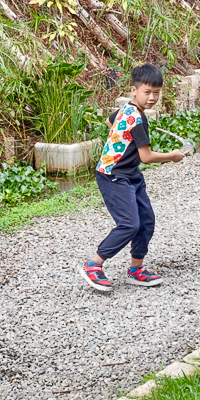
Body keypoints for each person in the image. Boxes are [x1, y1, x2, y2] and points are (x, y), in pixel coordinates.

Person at [83, 64, 183, 292]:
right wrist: (174, 156)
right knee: (129, 223)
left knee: (146, 221)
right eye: (147, 92)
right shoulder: (137, 119)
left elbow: (110, 122)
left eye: (156, 93)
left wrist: (120, 137)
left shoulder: (126, 109)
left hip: (130, 174)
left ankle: (136, 269)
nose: (152, 98)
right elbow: (146, 157)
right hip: (113, 176)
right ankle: (93, 265)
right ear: (134, 91)